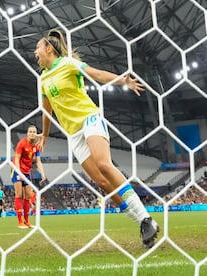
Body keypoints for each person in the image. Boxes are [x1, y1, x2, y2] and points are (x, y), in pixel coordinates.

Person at [34, 29, 159, 248]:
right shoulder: (43, 78)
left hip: (89, 119)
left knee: (103, 164)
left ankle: (146, 217)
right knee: (102, 182)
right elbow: (47, 110)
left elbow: (97, 74)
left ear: (49, 49)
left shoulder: (68, 64)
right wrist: (44, 134)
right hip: (73, 134)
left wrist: (123, 82)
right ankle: (142, 223)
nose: (35, 53)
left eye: (37, 48)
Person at [12, 125, 46, 228]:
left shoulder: (36, 146)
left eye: (34, 131)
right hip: (17, 170)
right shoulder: (22, 143)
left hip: (27, 172)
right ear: (27, 133)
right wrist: (19, 172)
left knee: (28, 195)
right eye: (30, 131)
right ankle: (20, 222)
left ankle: (27, 221)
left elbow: (38, 161)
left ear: (36, 133)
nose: (32, 133)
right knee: (19, 194)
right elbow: (17, 158)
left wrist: (43, 174)